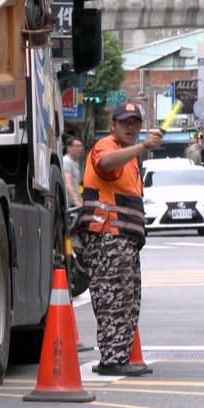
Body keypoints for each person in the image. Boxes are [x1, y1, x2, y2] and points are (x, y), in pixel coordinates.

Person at [79, 102, 162, 377]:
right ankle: (112, 359)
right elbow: (105, 163)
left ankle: (119, 357)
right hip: (108, 238)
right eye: (125, 122)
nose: (130, 127)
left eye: (135, 123)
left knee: (128, 300)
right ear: (112, 125)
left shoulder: (131, 158)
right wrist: (143, 146)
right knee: (113, 299)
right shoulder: (106, 146)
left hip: (123, 240)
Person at [62, 136, 84, 208]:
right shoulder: (67, 161)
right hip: (69, 204)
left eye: (81, 146)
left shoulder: (74, 163)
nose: (80, 148)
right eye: (77, 146)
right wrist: (76, 200)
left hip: (74, 204)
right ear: (69, 147)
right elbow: (67, 183)